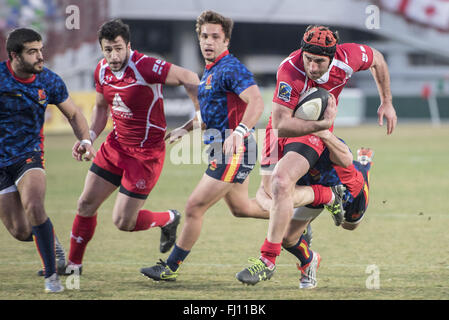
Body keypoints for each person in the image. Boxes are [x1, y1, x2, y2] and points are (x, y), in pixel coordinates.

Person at [236, 24, 397, 284]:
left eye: (319, 62)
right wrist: (321, 125)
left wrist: (387, 101)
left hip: (316, 134)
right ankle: (307, 247)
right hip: (285, 128)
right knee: (269, 200)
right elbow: (281, 123)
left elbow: (377, 58)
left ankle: (360, 172)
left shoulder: (348, 58)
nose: (312, 67)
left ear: (332, 58)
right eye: (309, 59)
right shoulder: (291, 69)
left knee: (349, 222)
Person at [66, 19, 200, 274]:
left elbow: (190, 77)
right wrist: (88, 138)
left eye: (118, 48)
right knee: (85, 204)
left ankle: (168, 219)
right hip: (115, 147)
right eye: (108, 50)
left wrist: (198, 114)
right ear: (101, 49)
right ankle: (73, 266)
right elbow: (101, 107)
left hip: (145, 156)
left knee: (123, 222)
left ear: (128, 45)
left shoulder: (145, 66)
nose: (113, 55)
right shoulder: (101, 70)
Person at [140, 10, 265, 281]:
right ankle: (292, 222)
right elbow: (209, 116)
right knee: (242, 208)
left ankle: (170, 268)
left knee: (194, 207)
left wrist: (240, 131)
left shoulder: (231, 68)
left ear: (226, 40)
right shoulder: (209, 71)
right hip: (225, 149)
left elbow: (257, 102)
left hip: (234, 151)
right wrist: (185, 129)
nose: (209, 41)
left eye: (215, 37)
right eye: (204, 36)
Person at [0, 28, 95, 293]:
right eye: (32, 52)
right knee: (20, 231)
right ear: (14, 56)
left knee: (34, 205)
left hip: (29, 155)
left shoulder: (50, 81)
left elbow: (75, 115)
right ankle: (50, 239)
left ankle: (52, 277)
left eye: (41, 50)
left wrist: (86, 141)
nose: (40, 56)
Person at [248, 130, 374, 289]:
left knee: (349, 225)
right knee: (287, 238)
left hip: (347, 191)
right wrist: (274, 207)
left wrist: (324, 133)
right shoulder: (272, 136)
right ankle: (310, 260)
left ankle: (363, 167)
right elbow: (264, 190)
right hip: (311, 192)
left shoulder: (319, 135)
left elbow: (344, 157)